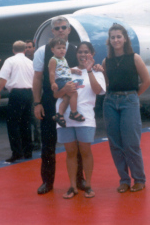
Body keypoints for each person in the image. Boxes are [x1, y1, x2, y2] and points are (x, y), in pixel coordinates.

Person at [32, 16, 84, 195]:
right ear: (52, 31)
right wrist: (37, 102)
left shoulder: (77, 51)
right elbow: (38, 78)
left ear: (69, 30)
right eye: (57, 28)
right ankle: (47, 182)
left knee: (76, 143)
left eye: (64, 27)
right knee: (48, 143)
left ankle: (79, 179)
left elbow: (83, 75)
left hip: (70, 100)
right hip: (49, 100)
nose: (61, 30)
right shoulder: (42, 51)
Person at [102, 24, 150, 193]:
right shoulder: (106, 61)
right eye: (113, 37)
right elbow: (107, 83)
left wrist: (134, 97)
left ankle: (139, 179)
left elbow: (146, 81)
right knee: (115, 144)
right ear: (109, 40)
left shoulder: (134, 58)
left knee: (131, 144)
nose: (116, 40)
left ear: (125, 39)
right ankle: (124, 180)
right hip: (110, 102)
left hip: (129, 100)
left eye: (118, 36)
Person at [55, 42, 105, 199]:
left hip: (85, 118)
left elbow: (98, 91)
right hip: (65, 119)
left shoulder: (97, 72)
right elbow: (57, 94)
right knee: (70, 153)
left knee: (85, 152)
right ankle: (72, 186)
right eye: (80, 52)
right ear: (76, 54)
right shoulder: (68, 71)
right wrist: (65, 89)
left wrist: (89, 70)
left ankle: (88, 185)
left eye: (86, 52)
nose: (83, 55)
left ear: (92, 54)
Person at [0, 41, 34, 163]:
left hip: (17, 93)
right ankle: (28, 151)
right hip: (29, 93)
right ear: (25, 50)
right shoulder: (30, 62)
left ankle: (17, 152)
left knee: (13, 123)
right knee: (26, 123)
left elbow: (3, 78)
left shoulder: (10, 61)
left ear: (13, 50)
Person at [48, 37, 85, 126]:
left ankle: (59, 114)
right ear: (53, 50)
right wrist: (53, 82)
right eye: (59, 48)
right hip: (61, 81)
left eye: (63, 48)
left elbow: (66, 69)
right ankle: (74, 112)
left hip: (66, 79)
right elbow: (52, 72)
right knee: (74, 93)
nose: (62, 50)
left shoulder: (63, 59)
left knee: (66, 98)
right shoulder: (53, 60)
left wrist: (74, 70)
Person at [25, 40, 41, 151]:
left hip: (36, 93)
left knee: (36, 119)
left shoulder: (38, 60)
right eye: (26, 47)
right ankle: (28, 142)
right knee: (27, 119)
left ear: (34, 48)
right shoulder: (24, 61)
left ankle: (38, 142)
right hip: (26, 92)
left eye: (30, 47)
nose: (28, 49)